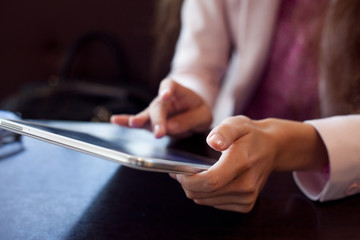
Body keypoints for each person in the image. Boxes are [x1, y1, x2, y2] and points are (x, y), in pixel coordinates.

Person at [111, 0, 360, 213]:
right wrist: (194, 94)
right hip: (233, 160)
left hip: (336, 188)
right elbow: (199, 62)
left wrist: (290, 145)